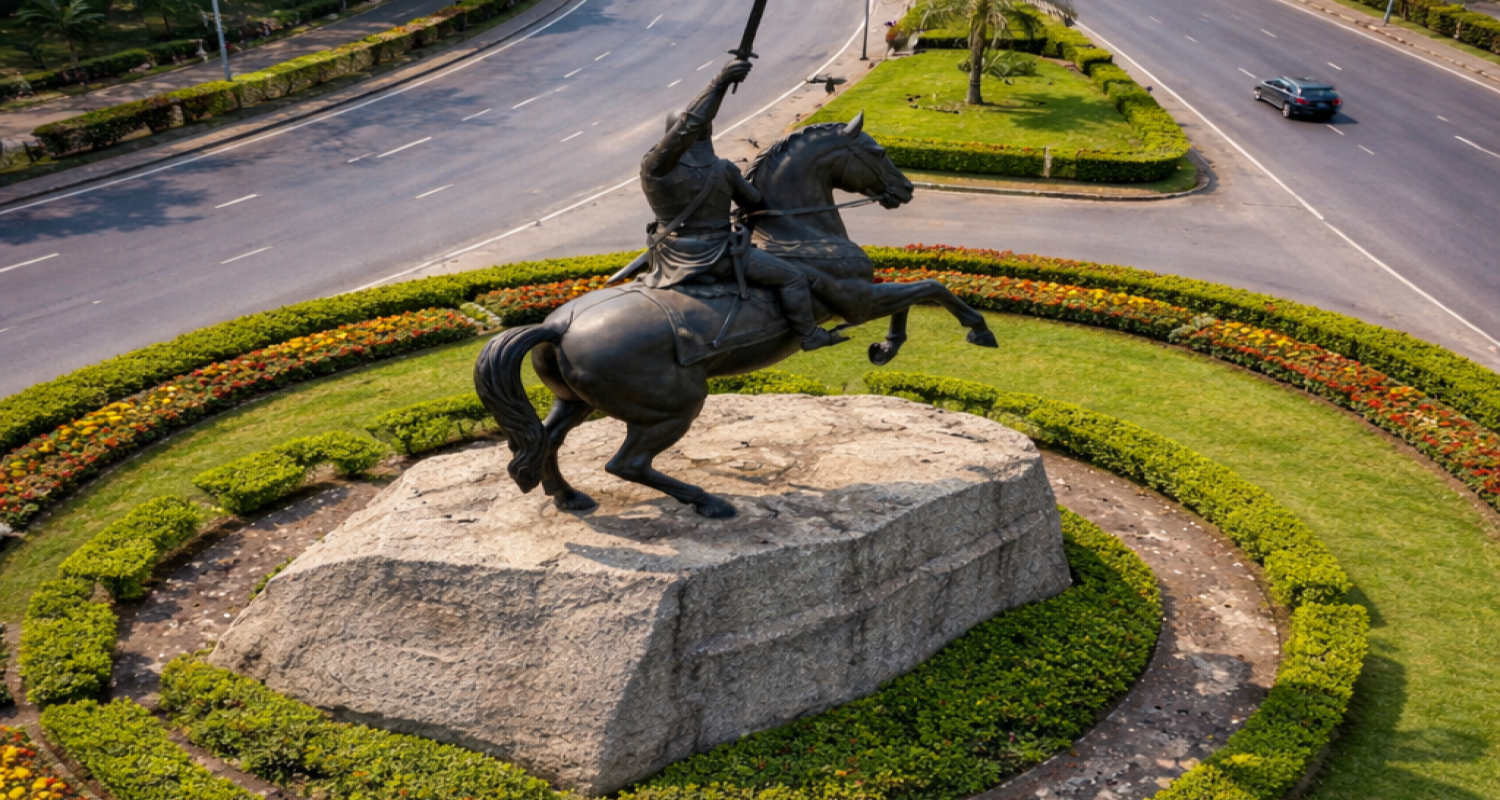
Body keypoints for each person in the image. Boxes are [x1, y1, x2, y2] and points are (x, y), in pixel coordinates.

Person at [638, 59, 845, 351]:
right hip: (715, 254)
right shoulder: (722, 169)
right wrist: (718, 82)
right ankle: (810, 336)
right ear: (707, 132)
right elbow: (753, 200)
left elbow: (686, 128)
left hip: (667, 253)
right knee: (794, 278)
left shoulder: (653, 169)